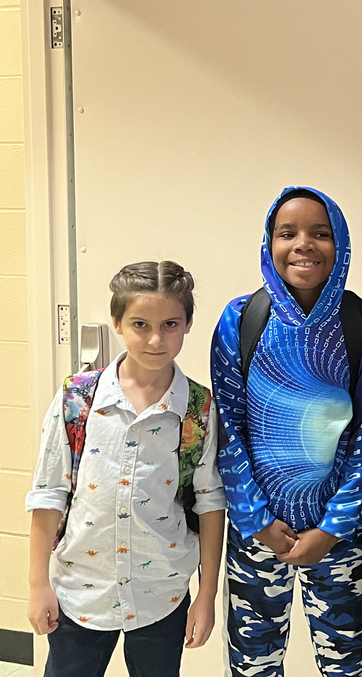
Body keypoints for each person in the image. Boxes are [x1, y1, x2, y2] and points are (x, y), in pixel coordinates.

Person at [211, 186, 362, 677]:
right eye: (288, 233)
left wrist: (333, 528)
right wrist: (258, 521)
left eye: (320, 233)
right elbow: (228, 431)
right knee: (253, 665)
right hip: (256, 532)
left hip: (338, 536)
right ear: (269, 244)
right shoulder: (240, 320)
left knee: (345, 667)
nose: (303, 244)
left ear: (342, 244)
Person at [26, 261, 226, 677]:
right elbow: (48, 493)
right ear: (117, 323)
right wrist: (37, 585)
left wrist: (206, 595)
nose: (156, 339)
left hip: (163, 595)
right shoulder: (77, 400)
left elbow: (209, 504)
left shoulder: (198, 410)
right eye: (140, 324)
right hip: (79, 592)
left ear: (188, 324)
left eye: (170, 323)